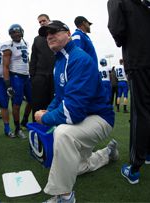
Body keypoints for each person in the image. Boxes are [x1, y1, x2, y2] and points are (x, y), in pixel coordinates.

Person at [35, 20, 118, 202]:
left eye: (54, 31)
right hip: (85, 119)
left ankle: (65, 196)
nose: (49, 36)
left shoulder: (78, 59)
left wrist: (45, 118)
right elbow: (59, 97)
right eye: (46, 34)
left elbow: (72, 113)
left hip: (99, 118)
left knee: (63, 133)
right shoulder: (60, 61)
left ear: (68, 34)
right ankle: (107, 154)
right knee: (74, 166)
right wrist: (47, 111)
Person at [108, 0, 150, 184]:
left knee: (140, 113)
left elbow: (117, 29)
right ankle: (146, 152)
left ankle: (134, 167)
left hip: (139, 59)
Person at [2, 24, 32, 138]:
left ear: (22, 32)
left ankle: (24, 120)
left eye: (18, 32)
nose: (16, 34)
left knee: (32, 100)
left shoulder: (26, 43)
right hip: (16, 77)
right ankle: (17, 128)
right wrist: (7, 84)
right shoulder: (9, 46)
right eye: (13, 33)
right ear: (10, 35)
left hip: (26, 76)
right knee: (16, 104)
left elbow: (27, 61)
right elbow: (5, 66)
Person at [29, 14, 55, 122]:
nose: (42, 23)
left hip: (54, 75)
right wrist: (33, 76)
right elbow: (33, 58)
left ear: (49, 20)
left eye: (44, 20)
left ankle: (53, 128)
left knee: (53, 103)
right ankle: (36, 131)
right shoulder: (37, 39)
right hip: (39, 76)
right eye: (39, 22)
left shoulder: (56, 36)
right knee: (38, 104)